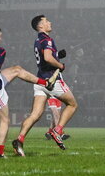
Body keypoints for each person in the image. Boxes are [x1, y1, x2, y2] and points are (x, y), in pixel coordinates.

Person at [0, 25, 58, 157]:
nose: (0, 39)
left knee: (17, 69)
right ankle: (0, 153)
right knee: (5, 121)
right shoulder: (0, 52)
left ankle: (45, 83)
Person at [11, 14, 79, 156]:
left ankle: (19, 139)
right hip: (52, 81)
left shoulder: (38, 40)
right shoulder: (47, 39)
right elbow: (48, 58)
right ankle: (57, 130)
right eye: (46, 21)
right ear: (40, 26)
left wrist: (58, 55)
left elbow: (45, 57)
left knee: (35, 114)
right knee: (73, 105)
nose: (50, 22)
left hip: (40, 81)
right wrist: (60, 64)